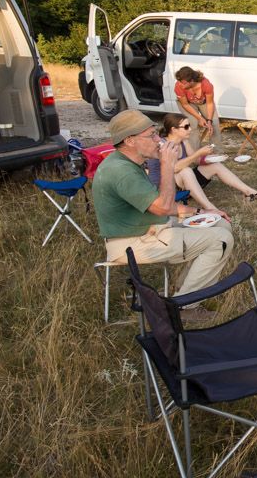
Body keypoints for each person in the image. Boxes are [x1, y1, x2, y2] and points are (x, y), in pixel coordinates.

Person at [92, 110, 234, 323]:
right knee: (221, 240)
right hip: (132, 243)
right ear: (130, 141)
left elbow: (158, 205)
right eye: (152, 136)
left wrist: (201, 212)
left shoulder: (127, 163)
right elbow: (162, 206)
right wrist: (167, 164)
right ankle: (184, 307)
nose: (159, 140)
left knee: (220, 223)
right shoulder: (121, 171)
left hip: (149, 229)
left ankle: (183, 290)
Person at [145, 113, 257, 208]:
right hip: (167, 188)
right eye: (186, 127)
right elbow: (175, 168)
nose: (190, 129)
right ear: (174, 129)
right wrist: (198, 153)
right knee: (186, 171)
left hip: (183, 182)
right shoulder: (163, 145)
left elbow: (197, 160)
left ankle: (249, 192)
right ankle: (209, 208)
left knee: (215, 165)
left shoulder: (183, 141)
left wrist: (210, 157)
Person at [174, 67, 222, 148]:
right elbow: (185, 105)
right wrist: (199, 118)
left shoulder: (206, 85)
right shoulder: (178, 86)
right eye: (179, 82)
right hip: (187, 104)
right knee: (193, 123)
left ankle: (217, 152)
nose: (180, 84)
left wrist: (209, 120)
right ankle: (194, 154)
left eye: (183, 83)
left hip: (204, 102)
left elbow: (210, 103)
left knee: (214, 123)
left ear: (192, 81)